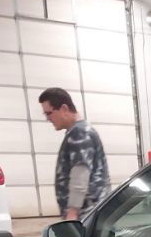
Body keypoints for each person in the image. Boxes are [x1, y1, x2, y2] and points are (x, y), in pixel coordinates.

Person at [38, 87, 111, 220]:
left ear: (64, 109)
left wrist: (72, 213)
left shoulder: (79, 133)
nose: (47, 118)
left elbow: (80, 174)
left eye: (49, 113)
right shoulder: (81, 131)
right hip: (91, 212)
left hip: (86, 214)